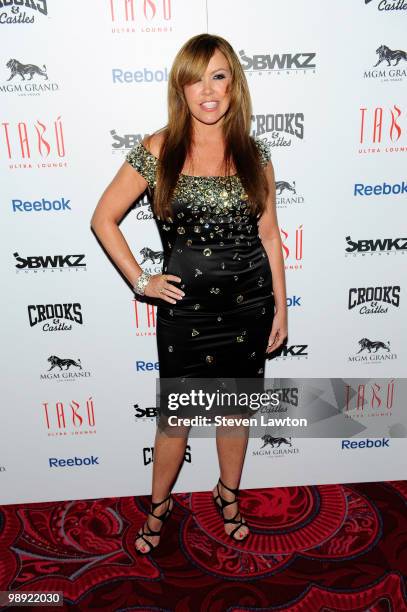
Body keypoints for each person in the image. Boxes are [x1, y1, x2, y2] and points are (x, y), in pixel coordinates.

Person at [91, 33, 287, 554]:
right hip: (185, 312)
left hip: (250, 305)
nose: (208, 90)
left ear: (234, 85)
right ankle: (159, 506)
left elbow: (269, 236)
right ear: (180, 88)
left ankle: (228, 495)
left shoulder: (255, 152)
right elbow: (103, 218)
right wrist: (142, 280)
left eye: (219, 76)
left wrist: (281, 309)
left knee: (233, 413)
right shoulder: (159, 149)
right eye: (195, 78)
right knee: (174, 421)